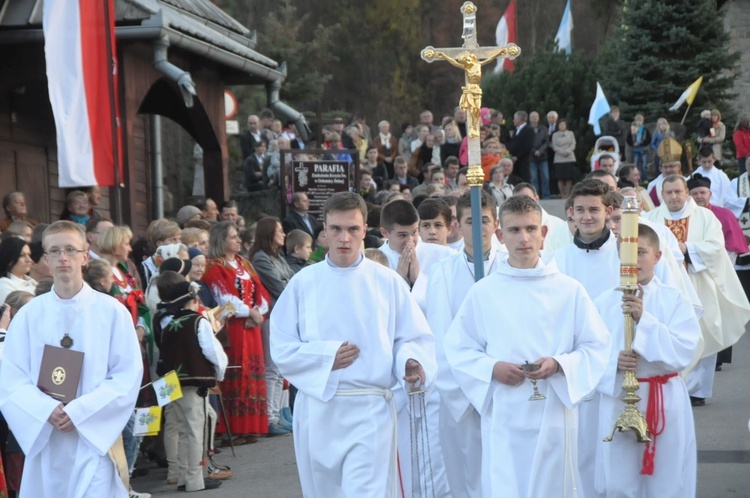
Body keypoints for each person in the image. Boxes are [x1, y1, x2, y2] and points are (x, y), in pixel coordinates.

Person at [269, 192, 435, 497]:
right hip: (320, 410)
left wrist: (410, 361)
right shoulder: (303, 283)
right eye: (336, 229)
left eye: (353, 229)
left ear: (365, 229)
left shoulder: (387, 281)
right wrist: (325, 358)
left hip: (370, 409)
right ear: (324, 231)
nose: (344, 238)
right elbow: (281, 347)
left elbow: (411, 337)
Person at [444, 195, 610, 497]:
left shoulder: (568, 290)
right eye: (515, 230)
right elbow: (459, 348)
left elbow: (595, 345)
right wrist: (491, 367)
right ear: (500, 236)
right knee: (508, 485)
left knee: (553, 487)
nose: (524, 238)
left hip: (554, 409)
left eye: (531, 229)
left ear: (543, 234)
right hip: (505, 411)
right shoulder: (484, 292)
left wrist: (559, 364)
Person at [0, 221, 142, 497]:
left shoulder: (111, 312)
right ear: (46, 259)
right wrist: (44, 410)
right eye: (54, 251)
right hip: (47, 441)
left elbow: (126, 375)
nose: (63, 258)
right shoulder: (29, 316)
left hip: (93, 439)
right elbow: (10, 377)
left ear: (85, 256)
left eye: (70, 249)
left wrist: (80, 411)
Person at [594, 224, 700, 497]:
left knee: (668, 477)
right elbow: (588, 354)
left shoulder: (674, 300)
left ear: (657, 256)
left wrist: (645, 321)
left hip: (662, 396)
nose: (633, 259)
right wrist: (612, 363)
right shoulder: (602, 303)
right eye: (627, 252)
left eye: (641, 252)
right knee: (618, 479)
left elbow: (686, 349)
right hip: (618, 395)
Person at [646, 175, 750, 406]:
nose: (673, 197)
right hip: (666, 287)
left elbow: (715, 246)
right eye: (669, 192)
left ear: (686, 192)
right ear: (662, 195)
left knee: (705, 332)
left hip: (698, 283)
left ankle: (699, 391)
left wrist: (687, 248)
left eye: (678, 192)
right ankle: (672, 385)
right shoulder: (650, 218)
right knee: (669, 333)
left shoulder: (705, 217)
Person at [424, 190, 500, 498]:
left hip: (505, 387)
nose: (478, 228)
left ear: (496, 223)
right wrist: (468, 386)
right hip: (461, 394)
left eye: (484, 220)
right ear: (458, 224)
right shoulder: (443, 273)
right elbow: (440, 336)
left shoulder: (511, 266)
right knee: (466, 476)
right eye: (470, 221)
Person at [153, 273, 227, 492]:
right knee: (196, 430)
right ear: (193, 300)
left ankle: (184, 476)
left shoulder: (168, 324)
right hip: (193, 383)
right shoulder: (198, 321)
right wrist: (219, 373)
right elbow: (212, 351)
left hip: (170, 383)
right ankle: (195, 480)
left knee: (182, 429)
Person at [203, 221, 270, 442]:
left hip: (251, 328)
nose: (239, 241)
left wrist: (258, 313)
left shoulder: (245, 264)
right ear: (222, 241)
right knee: (236, 374)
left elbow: (261, 292)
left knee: (252, 373)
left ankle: (250, 426)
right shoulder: (215, 267)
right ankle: (233, 428)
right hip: (233, 327)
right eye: (233, 237)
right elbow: (224, 300)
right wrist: (250, 312)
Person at [248, 217, 294, 436]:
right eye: (279, 231)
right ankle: (270, 418)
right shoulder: (260, 258)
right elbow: (279, 285)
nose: (283, 235)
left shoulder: (277, 256)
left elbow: (292, 279)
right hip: (271, 314)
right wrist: (289, 285)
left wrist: (289, 284)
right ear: (269, 234)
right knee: (271, 368)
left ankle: (276, 415)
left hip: (282, 314)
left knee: (278, 370)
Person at [647, 137, 684, 207]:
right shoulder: (653, 186)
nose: (668, 170)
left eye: (672, 166)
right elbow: (651, 208)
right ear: (660, 168)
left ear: (679, 166)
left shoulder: (687, 181)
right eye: (665, 167)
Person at [0, 238, 37, 303]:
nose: (29, 260)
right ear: (9, 259)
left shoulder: (33, 282)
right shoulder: (4, 284)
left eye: (29, 255)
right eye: (22, 255)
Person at [551, 118, 577, 199]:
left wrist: (568, 151)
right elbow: (554, 146)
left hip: (569, 157)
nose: (562, 126)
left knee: (569, 177)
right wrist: (561, 151)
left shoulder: (570, 133)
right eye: (560, 124)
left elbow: (573, 143)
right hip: (559, 158)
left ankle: (568, 194)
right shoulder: (555, 135)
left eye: (564, 124)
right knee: (560, 177)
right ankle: (562, 194)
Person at [528, 111, 550, 199]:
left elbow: (547, 141)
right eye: (532, 116)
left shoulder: (543, 128)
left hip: (543, 156)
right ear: (529, 118)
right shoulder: (527, 129)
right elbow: (527, 143)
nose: (534, 118)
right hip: (531, 157)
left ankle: (546, 196)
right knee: (533, 178)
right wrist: (534, 151)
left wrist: (540, 151)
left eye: (536, 116)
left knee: (545, 177)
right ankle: (535, 196)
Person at [507, 111, 535, 182]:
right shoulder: (515, 130)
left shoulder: (529, 130)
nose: (513, 120)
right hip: (514, 161)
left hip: (523, 160)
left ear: (519, 119)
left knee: (524, 180)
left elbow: (528, 146)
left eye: (515, 118)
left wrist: (517, 157)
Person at [626, 113, 651, 180]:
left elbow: (649, 139)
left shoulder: (645, 130)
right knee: (635, 165)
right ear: (635, 121)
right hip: (635, 150)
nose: (639, 122)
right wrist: (632, 144)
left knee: (644, 165)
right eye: (637, 120)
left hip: (643, 149)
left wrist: (641, 142)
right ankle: (634, 178)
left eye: (640, 120)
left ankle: (644, 178)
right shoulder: (632, 130)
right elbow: (628, 139)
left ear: (643, 121)